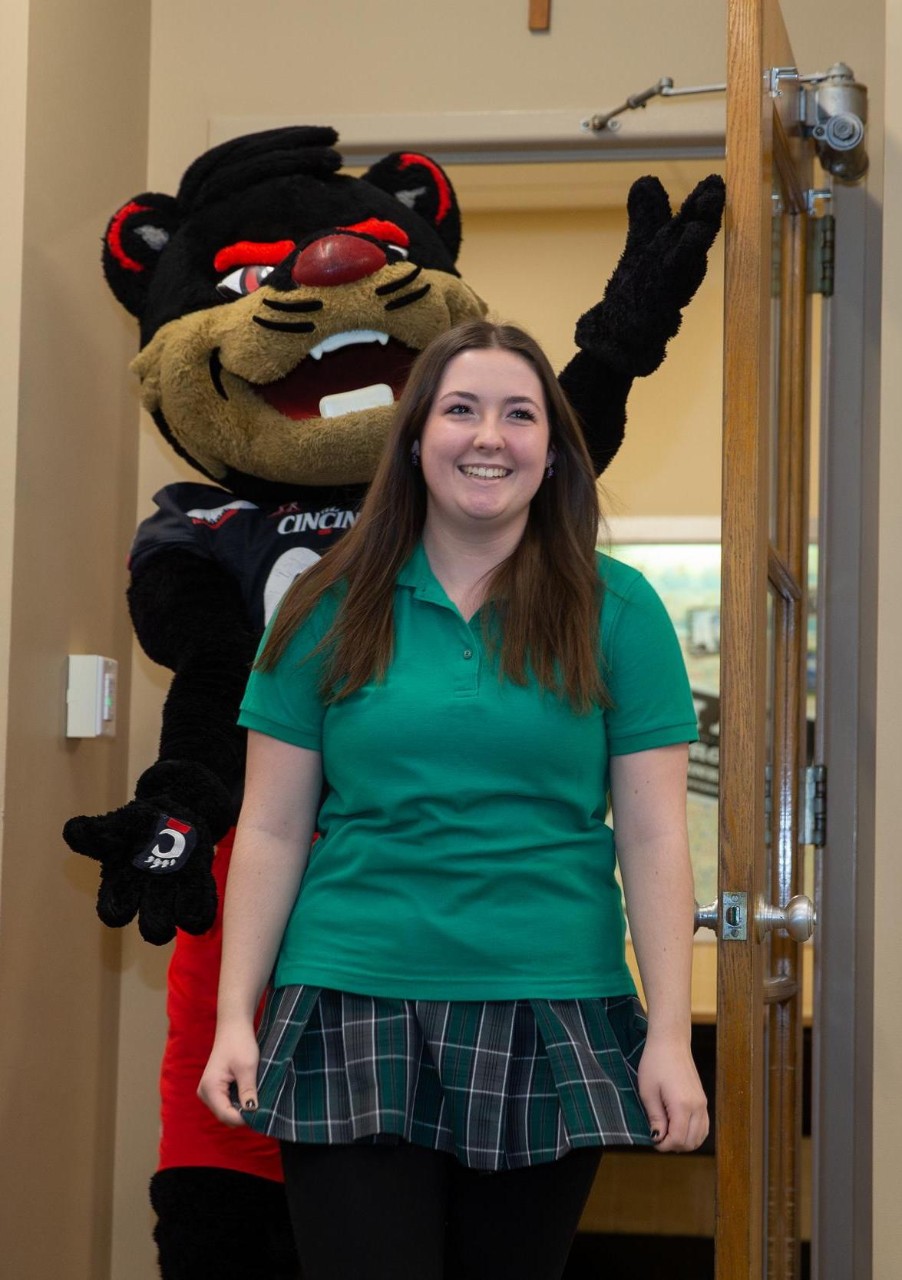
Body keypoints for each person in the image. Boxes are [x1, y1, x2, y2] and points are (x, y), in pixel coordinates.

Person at [198, 319, 709, 1279]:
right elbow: (269, 828)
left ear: (552, 451)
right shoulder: (324, 608)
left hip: (553, 1009)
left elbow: (651, 839)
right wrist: (236, 1014)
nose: (489, 436)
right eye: (461, 409)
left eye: (519, 414)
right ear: (416, 438)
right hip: (350, 1001)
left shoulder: (621, 609)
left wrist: (671, 1038)